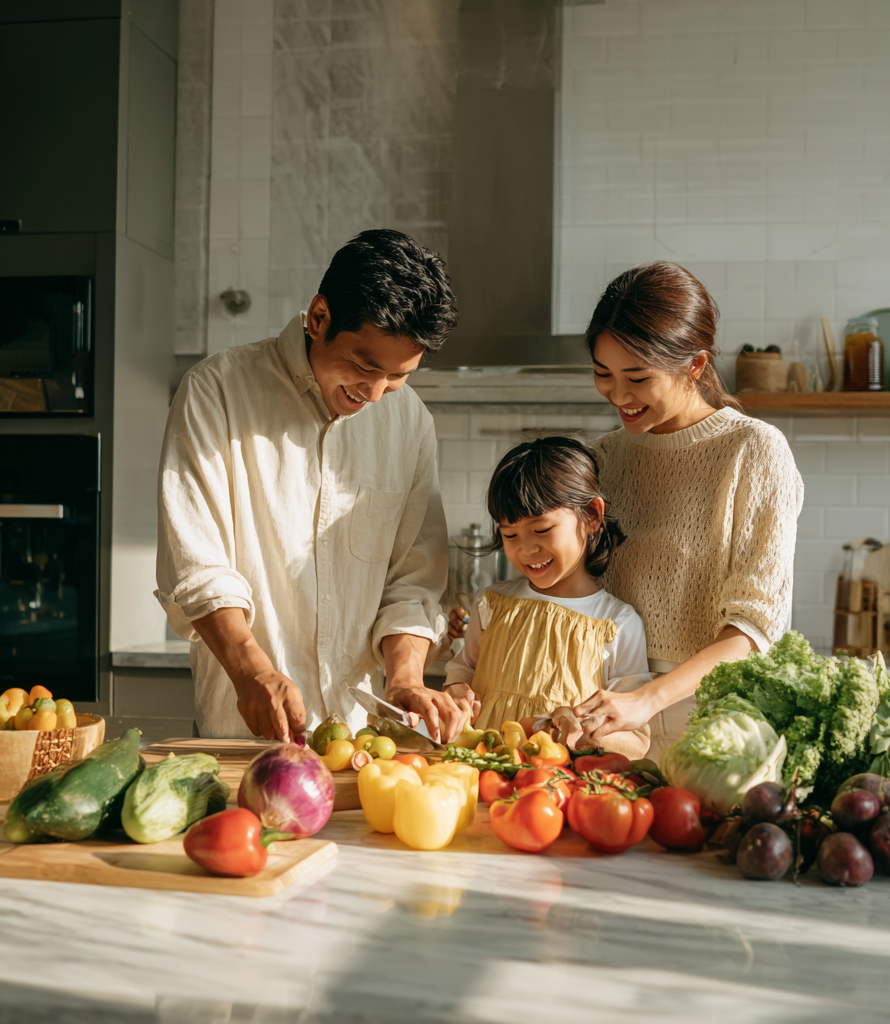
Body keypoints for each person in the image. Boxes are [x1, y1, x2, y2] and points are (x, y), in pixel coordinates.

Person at [156, 229, 471, 743]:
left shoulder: (409, 422)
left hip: (364, 742)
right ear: (319, 316)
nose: (374, 393)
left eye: (397, 376)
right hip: (244, 735)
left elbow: (412, 579)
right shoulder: (216, 392)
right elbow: (197, 565)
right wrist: (252, 672)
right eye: (365, 365)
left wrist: (407, 677)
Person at [571, 261, 805, 758]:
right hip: (607, 716)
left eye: (637, 377)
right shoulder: (605, 457)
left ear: (695, 366)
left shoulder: (754, 451)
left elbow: (754, 627)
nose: (618, 395)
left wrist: (647, 699)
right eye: (602, 374)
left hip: (712, 723)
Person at [442, 437, 653, 759]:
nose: (526, 550)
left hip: (557, 791)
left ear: (592, 515)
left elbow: (635, 741)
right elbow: (462, 669)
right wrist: (456, 691)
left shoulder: (617, 623)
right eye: (510, 535)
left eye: (542, 530)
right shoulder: (492, 604)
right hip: (482, 775)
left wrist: (580, 729)